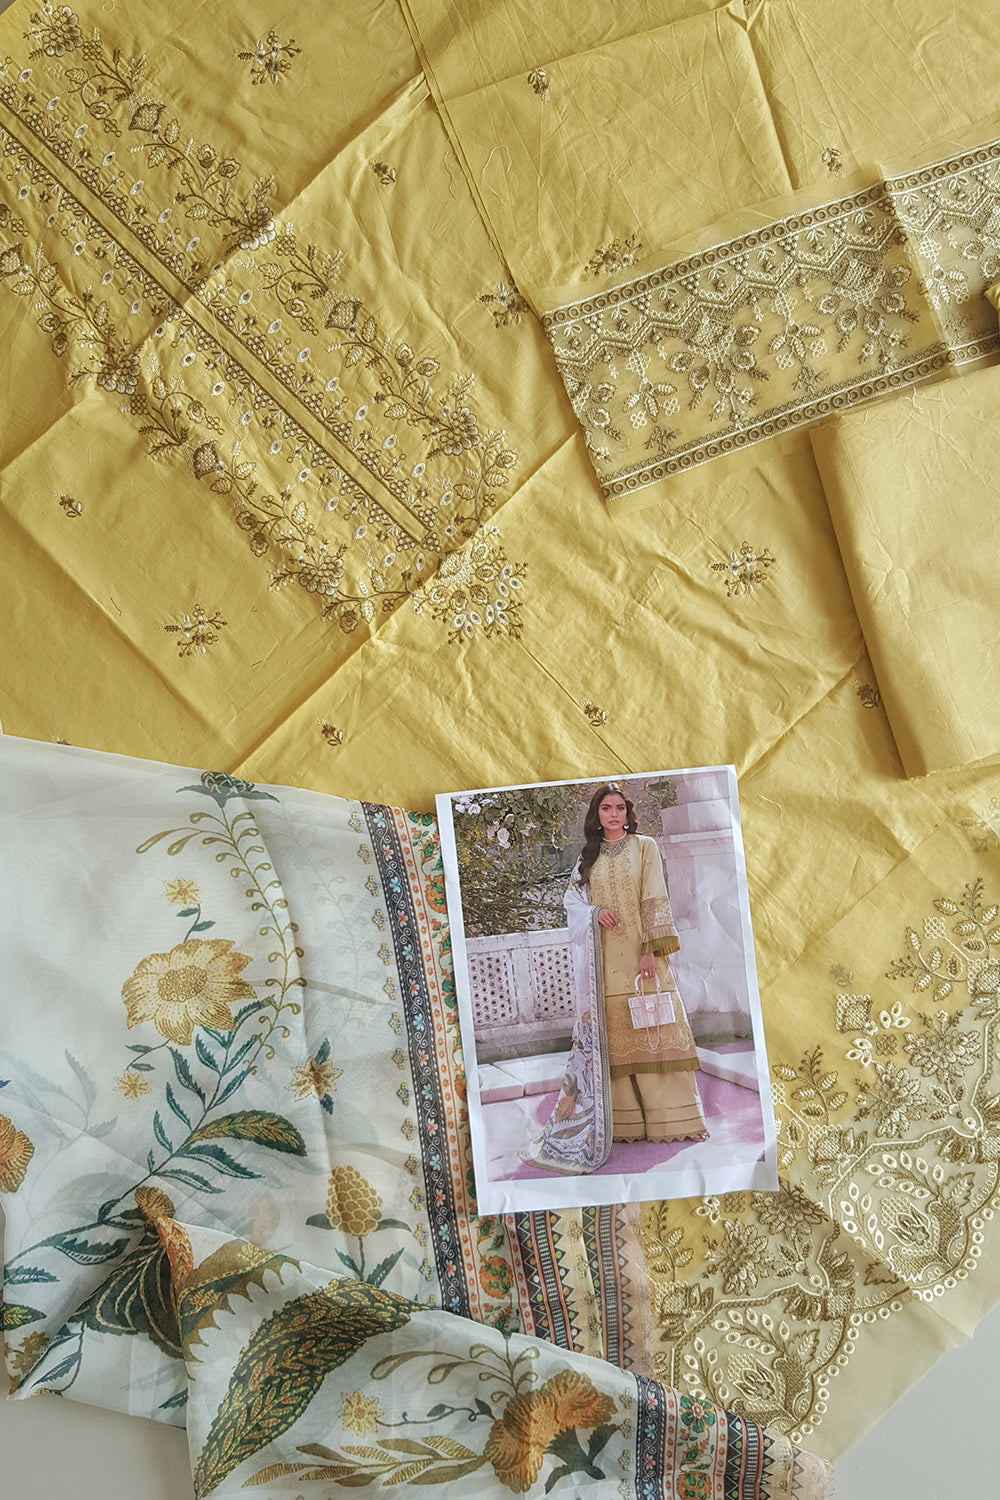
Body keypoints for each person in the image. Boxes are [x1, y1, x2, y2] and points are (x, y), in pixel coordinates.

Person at [565, 782, 707, 1143]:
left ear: (628, 813)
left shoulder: (645, 847)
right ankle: (625, 1126)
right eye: (606, 808)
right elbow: (572, 903)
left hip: (642, 956)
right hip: (604, 963)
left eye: (620, 808)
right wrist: (594, 913)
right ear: (597, 815)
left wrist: (649, 951)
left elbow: (654, 897)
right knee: (616, 1041)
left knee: (656, 1031)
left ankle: (676, 1121)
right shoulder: (587, 857)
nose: (614, 815)